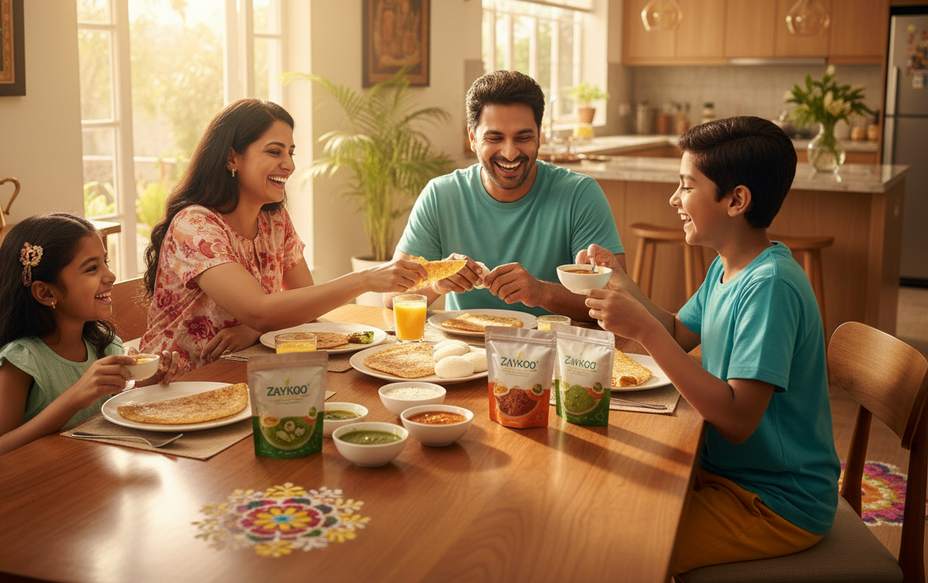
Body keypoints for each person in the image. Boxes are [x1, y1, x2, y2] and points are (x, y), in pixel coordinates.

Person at [579, 116, 839, 574]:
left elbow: (738, 419)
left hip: (773, 502)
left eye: (686, 186)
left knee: (618, 553)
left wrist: (644, 331)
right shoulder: (729, 266)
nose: (674, 199)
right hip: (726, 475)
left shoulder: (770, 286)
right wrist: (623, 285)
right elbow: (679, 330)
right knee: (601, 501)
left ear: (736, 200)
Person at [139, 99, 426, 368]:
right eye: (274, 151)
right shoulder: (193, 226)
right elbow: (259, 310)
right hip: (178, 385)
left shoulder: (274, 220)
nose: (289, 164)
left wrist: (254, 328)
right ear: (231, 158)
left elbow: (303, 305)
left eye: (290, 152)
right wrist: (365, 279)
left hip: (245, 371)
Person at [389, 70, 624, 319]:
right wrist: (437, 283)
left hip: (555, 350)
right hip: (467, 351)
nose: (510, 153)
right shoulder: (440, 195)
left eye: (523, 137)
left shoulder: (580, 194)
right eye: (494, 138)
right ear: (472, 137)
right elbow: (392, 298)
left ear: (539, 136)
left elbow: (617, 302)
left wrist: (542, 293)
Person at [0, 213, 185, 464]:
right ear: (46, 292)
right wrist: (75, 397)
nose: (110, 275)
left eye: (105, 262)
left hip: (91, 478)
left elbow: (108, 419)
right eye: (92, 268)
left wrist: (145, 385)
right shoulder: (21, 361)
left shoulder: (104, 344)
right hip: (45, 487)